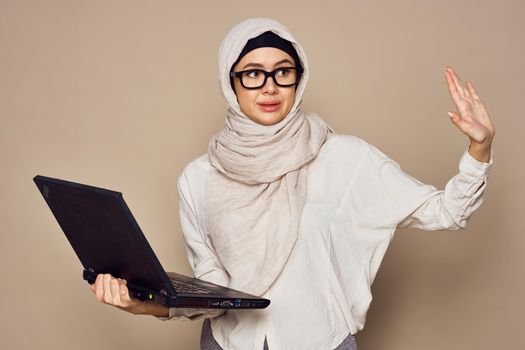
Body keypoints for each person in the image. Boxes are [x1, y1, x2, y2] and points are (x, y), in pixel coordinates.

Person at [89, 18, 495, 350]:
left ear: (298, 79)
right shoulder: (199, 177)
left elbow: (449, 212)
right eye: (252, 73)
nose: (269, 86)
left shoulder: (344, 158)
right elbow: (212, 293)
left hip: (321, 342)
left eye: (283, 71)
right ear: (229, 83)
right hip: (228, 344)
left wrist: (479, 148)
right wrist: (141, 305)